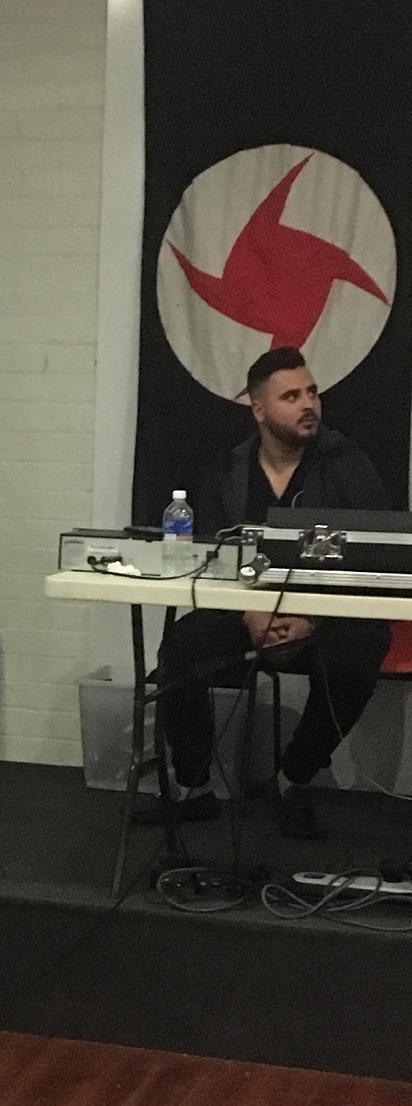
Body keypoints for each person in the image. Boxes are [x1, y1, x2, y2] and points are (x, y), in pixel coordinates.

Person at [135, 347, 391, 839]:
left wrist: (311, 620)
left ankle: (292, 778)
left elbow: (372, 559)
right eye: (291, 396)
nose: (308, 404)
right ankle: (194, 786)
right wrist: (250, 614)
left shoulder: (347, 465)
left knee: (362, 649)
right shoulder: (229, 471)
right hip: (246, 614)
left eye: (311, 392)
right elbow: (213, 559)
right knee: (180, 649)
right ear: (258, 409)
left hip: (323, 618)